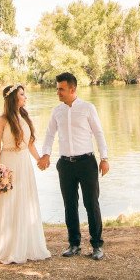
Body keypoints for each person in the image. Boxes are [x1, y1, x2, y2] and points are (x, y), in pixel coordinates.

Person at [38, 72, 109, 260]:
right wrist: (45, 154)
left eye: (61, 89)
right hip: (65, 165)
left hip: (87, 163)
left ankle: (96, 245)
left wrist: (105, 158)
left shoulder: (87, 108)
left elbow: (99, 133)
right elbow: (49, 135)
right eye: (57, 89)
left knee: (91, 204)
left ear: (72, 89)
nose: (58, 92)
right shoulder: (57, 111)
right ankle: (74, 244)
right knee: (69, 205)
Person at [0, 84, 51, 265]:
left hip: (24, 163)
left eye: (25, 94)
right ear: (13, 98)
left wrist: (39, 160)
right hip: (8, 163)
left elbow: (30, 144)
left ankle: (25, 245)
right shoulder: (2, 120)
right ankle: (6, 246)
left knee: (24, 201)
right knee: (8, 202)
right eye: (22, 94)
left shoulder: (25, 117)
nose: (25, 97)